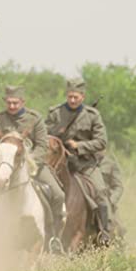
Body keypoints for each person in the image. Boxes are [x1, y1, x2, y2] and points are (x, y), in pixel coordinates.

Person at [0, 85, 65, 242]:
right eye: (9, 102)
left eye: (15, 103)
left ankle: (54, 237)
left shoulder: (35, 118)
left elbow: (42, 145)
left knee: (58, 194)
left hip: (33, 166)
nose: (12, 106)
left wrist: (30, 162)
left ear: (23, 102)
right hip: (5, 166)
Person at [45, 79, 112, 244]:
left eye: (76, 97)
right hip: (59, 162)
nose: (72, 100)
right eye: (70, 97)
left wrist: (79, 145)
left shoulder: (92, 115)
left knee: (101, 192)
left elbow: (102, 142)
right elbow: (44, 136)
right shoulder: (55, 113)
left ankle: (104, 232)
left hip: (85, 164)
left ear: (83, 96)